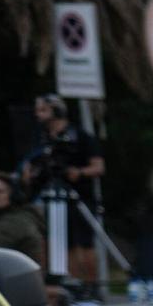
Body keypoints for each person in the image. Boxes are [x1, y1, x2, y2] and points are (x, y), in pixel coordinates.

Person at [18, 94, 104, 279]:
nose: (38, 115)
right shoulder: (41, 140)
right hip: (52, 196)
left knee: (84, 244)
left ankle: (91, 286)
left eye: (43, 110)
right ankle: (70, 284)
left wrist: (78, 173)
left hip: (78, 197)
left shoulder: (80, 137)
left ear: (56, 110)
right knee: (62, 244)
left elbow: (98, 167)